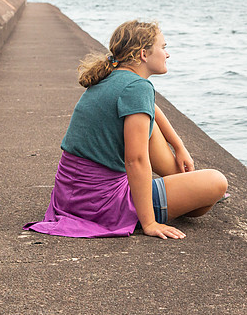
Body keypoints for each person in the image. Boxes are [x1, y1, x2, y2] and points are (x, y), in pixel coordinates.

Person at [24, 20, 228, 239]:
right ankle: (167, 197)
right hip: (102, 204)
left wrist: (179, 146)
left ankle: (180, 183)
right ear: (143, 54)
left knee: (151, 130)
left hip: (72, 197)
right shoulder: (137, 87)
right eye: (164, 47)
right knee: (216, 183)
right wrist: (149, 223)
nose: (167, 54)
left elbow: (152, 109)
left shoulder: (115, 78)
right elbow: (135, 160)